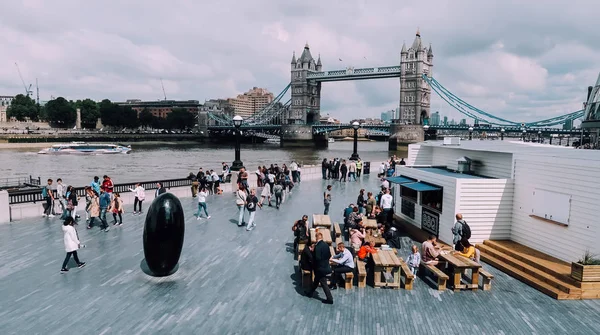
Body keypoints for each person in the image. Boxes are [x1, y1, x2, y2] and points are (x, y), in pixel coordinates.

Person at [305, 232, 333, 304]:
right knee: (316, 281)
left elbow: (317, 258)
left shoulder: (317, 247)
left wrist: (313, 253)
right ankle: (310, 293)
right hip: (325, 266)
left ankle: (330, 299)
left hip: (319, 268)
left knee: (323, 283)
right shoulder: (326, 245)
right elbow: (329, 255)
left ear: (316, 238)